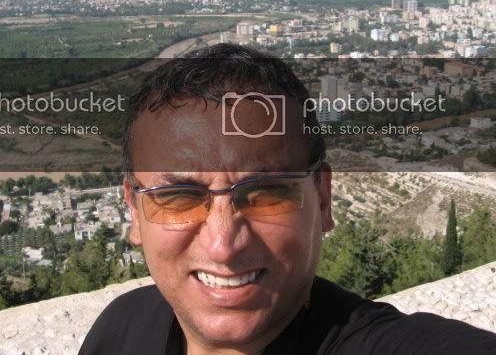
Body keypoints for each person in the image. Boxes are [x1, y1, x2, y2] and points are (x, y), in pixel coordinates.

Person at [79, 43, 496, 355]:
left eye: (265, 194)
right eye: (179, 197)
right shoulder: (122, 330)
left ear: (323, 199)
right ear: (134, 211)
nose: (224, 246)